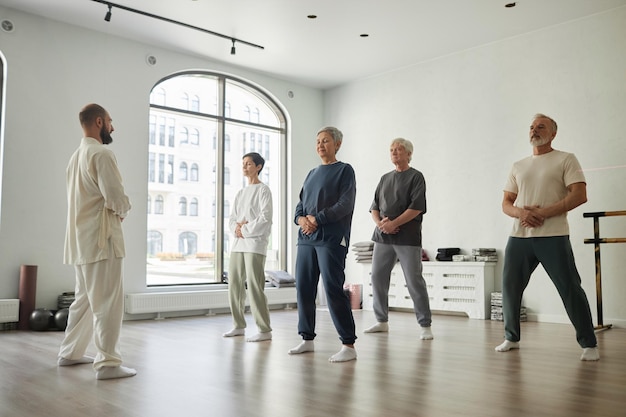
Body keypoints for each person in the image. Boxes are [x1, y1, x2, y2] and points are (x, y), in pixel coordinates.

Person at [495, 113, 599, 361]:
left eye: (541, 126)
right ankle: (511, 337)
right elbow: (506, 203)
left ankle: (589, 344)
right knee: (510, 287)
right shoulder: (518, 165)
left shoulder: (565, 159)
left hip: (553, 235)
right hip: (519, 236)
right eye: (531, 126)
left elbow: (579, 195)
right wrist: (521, 212)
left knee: (570, 287)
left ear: (553, 133)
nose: (534, 130)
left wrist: (543, 213)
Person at [58, 103, 137, 379]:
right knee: (107, 302)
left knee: (84, 300)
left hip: (80, 241)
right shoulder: (102, 153)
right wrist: (124, 209)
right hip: (102, 241)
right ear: (100, 122)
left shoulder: (74, 157)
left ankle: (70, 352)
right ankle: (108, 364)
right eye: (111, 122)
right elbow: (115, 197)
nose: (114, 127)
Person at [288, 126, 358, 362]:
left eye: (325, 141)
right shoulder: (311, 173)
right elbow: (299, 206)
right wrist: (301, 220)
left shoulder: (344, 171)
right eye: (317, 141)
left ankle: (348, 345)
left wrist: (317, 219)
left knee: (332, 289)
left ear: (337, 144)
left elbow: (344, 205)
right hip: (306, 239)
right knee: (304, 288)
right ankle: (306, 338)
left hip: (331, 239)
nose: (320, 145)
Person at [363, 138, 433, 340]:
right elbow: (374, 206)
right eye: (392, 149)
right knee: (377, 277)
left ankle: (425, 325)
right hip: (382, 237)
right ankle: (381, 321)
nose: (394, 152)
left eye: (399, 149)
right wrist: (380, 224)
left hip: (407, 238)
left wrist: (395, 224)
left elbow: (417, 207)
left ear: (409, 154)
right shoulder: (385, 178)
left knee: (414, 280)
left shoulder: (416, 177)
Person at [223, 152, 273, 342]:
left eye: (249, 163)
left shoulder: (263, 190)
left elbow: (265, 219)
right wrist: (237, 228)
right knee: (234, 284)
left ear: (258, 166)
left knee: (254, 286)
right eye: (243, 163)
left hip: (255, 244)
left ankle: (264, 329)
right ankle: (238, 325)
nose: (245, 167)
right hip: (238, 244)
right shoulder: (241, 193)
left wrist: (244, 228)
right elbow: (232, 219)